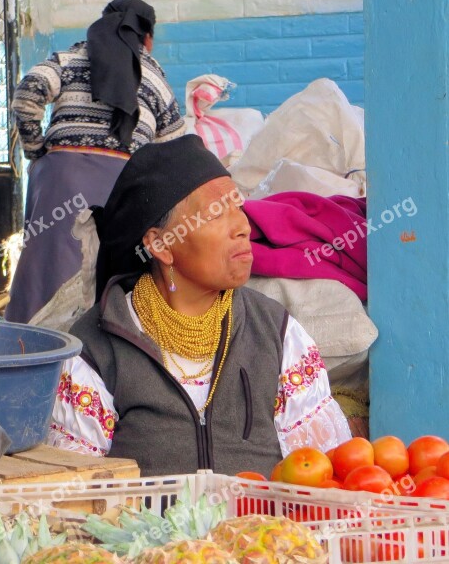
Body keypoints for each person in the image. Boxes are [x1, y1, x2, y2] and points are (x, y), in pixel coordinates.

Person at [48, 134, 351, 477]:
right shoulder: (95, 350)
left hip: (260, 530)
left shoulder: (276, 333)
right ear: (161, 245)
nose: (242, 226)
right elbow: (78, 490)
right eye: (217, 213)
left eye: (238, 206)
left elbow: (321, 475)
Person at [5, 0, 185, 324]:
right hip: (122, 184)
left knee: (47, 269)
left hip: (61, 177)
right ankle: (97, 355)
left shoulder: (70, 57)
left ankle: (31, 353)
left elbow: (27, 95)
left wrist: (37, 151)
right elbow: (172, 148)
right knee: (112, 273)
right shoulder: (154, 77)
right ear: (147, 38)